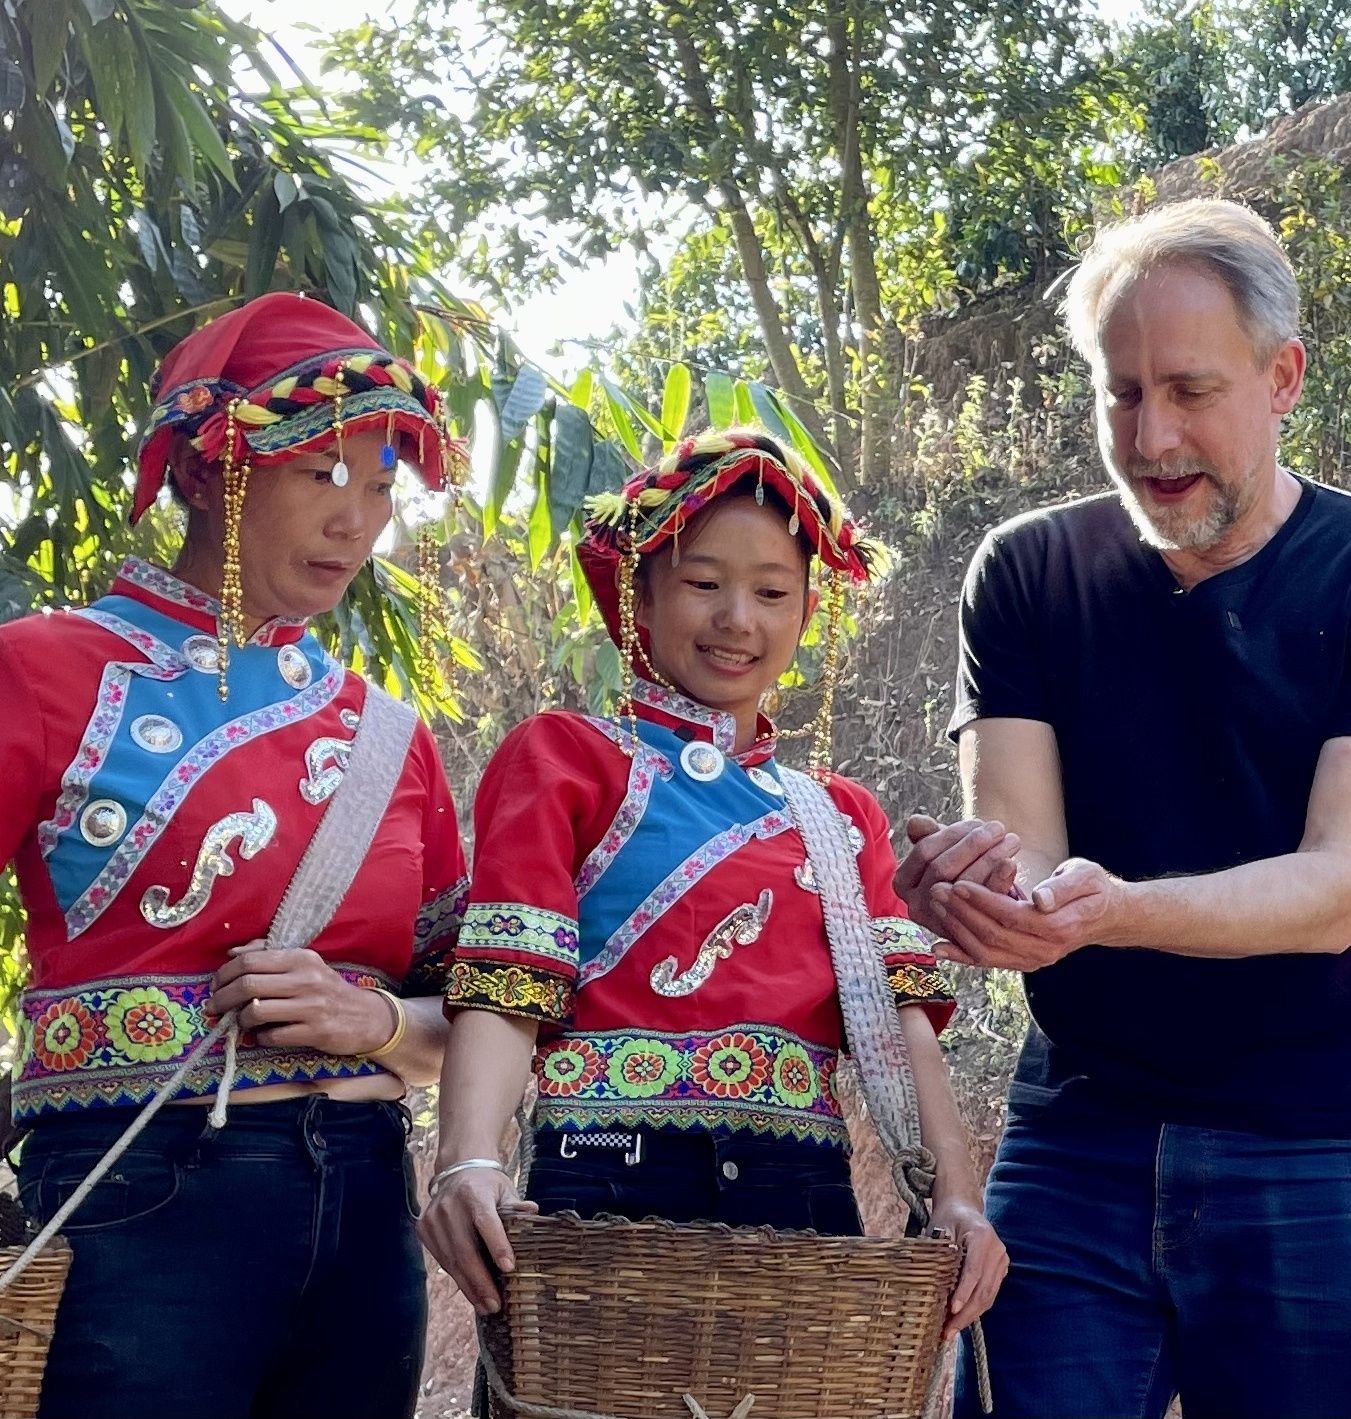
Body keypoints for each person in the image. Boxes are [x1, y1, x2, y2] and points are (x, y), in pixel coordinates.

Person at [894, 197, 1351, 1419]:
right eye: (1121, 394)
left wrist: (1110, 911)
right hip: (1079, 1130)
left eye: (1190, 391)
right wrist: (982, 896)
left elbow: (1339, 888)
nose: (1151, 437)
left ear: (1283, 378)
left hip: (1321, 1137)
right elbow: (1025, 849)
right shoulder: (1026, 571)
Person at [419, 428, 1005, 1346]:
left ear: (805, 613)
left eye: (771, 592)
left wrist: (958, 1201)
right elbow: (508, 985)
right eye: (702, 583)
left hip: (799, 1194)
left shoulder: (839, 813)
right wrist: (467, 1161)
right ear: (640, 594)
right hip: (603, 1177)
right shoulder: (566, 758)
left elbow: (900, 1026)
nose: (738, 618)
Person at [0, 292, 471, 1419]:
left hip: (367, 1200)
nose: (357, 521)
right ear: (208, 474)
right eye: (322, 474)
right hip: (135, 1190)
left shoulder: (390, 737)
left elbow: (480, 1010)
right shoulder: (45, 668)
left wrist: (377, 1022)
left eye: (382, 486)